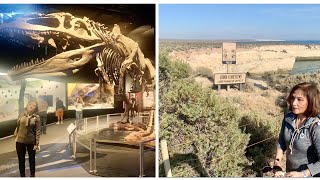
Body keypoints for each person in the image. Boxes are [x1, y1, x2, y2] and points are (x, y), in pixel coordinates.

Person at [274, 82, 320, 177]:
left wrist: (303, 174)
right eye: (292, 98)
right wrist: (277, 161)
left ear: (311, 101)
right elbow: (282, 141)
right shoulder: (288, 118)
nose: (294, 103)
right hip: (291, 174)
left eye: (300, 100)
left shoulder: (316, 126)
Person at [14, 100, 40, 177]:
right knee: (21, 161)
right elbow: (18, 125)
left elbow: (38, 130)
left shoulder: (36, 117)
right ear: (27, 105)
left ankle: (32, 175)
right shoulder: (22, 114)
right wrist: (16, 135)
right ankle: (22, 176)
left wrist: (37, 143)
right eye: (30, 104)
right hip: (20, 141)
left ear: (35, 108)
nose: (31, 106)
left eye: (34, 105)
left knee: (32, 160)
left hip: (31, 141)